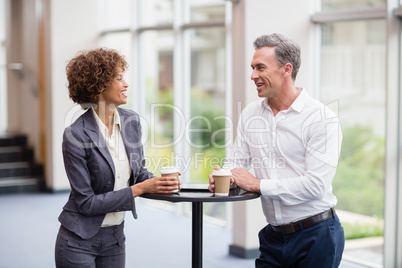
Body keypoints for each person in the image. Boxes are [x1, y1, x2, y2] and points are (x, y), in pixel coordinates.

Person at [208, 33, 344, 267]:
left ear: (286, 69)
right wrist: (227, 178)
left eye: (260, 68)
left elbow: (316, 185)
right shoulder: (251, 113)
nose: (253, 76)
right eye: (252, 68)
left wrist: (257, 184)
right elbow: (236, 163)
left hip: (317, 235)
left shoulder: (322, 119)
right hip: (273, 237)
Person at [55, 48, 179, 268]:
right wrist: (139, 189)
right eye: (119, 78)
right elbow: (86, 203)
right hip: (78, 240)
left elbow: (139, 173)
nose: (126, 84)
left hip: (114, 238)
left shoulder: (131, 121)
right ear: (98, 85)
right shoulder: (75, 134)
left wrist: (159, 183)